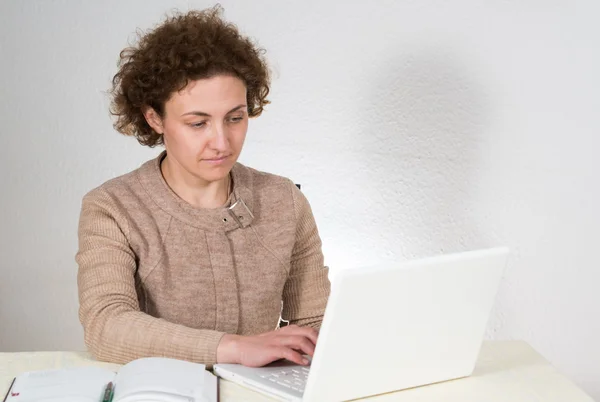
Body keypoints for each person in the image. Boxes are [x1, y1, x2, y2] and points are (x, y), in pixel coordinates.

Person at [76, 6, 330, 368]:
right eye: (198, 123)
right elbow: (107, 326)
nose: (222, 142)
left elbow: (316, 323)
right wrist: (236, 348)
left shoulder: (284, 200)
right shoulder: (113, 207)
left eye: (235, 118)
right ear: (154, 118)